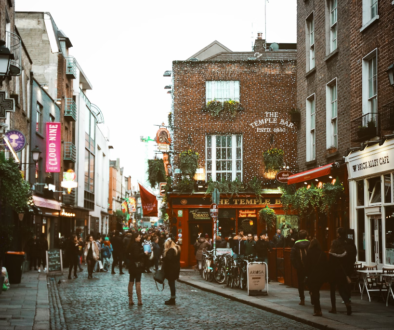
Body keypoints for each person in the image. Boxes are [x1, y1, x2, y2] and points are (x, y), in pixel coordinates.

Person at [328, 239, 352, 315]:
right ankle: (347, 302)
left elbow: (330, 265)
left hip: (333, 274)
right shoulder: (345, 254)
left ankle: (333, 308)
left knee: (332, 291)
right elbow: (347, 264)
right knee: (342, 290)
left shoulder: (331, 254)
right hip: (342, 274)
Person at [305, 238, 327, 316]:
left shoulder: (309, 252)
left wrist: (307, 274)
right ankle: (316, 308)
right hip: (320, 276)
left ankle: (318, 309)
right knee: (316, 291)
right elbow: (325, 265)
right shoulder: (322, 253)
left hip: (312, 275)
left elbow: (307, 265)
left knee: (315, 292)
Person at [290, 229, 310, 305]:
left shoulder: (295, 245)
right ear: (306, 236)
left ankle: (302, 299)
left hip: (300, 267)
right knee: (310, 281)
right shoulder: (310, 244)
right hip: (309, 267)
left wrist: (296, 266)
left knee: (300, 283)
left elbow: (292, 257)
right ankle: (312, 296)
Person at [126, 232, 146, 306]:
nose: (140, 238)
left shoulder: (130, 245)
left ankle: (130, 299)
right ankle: (139, 300)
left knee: (131, 281)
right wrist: (144, 253)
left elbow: (128, 255)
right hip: (137, 266)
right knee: (138, 282)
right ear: (135, 238)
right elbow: (136, 255)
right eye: (139, 237)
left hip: (131, 265)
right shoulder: (136, 245)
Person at [162, 238, 181, 305]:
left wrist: (162, 258)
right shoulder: (177, 249)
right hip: (175, 268)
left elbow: (168, 258)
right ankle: (172, 298)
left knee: (171, 283)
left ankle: (172, 299)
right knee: (172, 283)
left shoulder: (171, 250)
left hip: (171, 269)